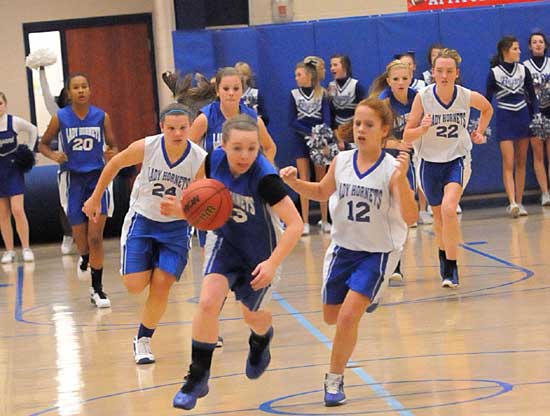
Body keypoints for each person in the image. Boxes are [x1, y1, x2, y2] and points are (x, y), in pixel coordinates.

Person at [281, 97, 418, 407]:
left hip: (377, 252)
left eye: (368, 125)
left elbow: (410, 218)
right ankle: (370, 296)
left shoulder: (391, 169)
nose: (360, 129)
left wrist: (402, 181)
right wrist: (292, 182)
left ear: (384, 130)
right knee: (331, 317)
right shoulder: (341, 161)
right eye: (357, 123)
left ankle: (334, 380)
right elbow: (320, 192)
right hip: (343, 249)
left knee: (346, 318)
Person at [172, 114, 303, 410]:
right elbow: (198, 199)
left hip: (261, 253)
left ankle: (261, 340)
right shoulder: (211, 162)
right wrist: (181, 210)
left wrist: (271, 264)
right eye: (238, 148)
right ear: (224, 146)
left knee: (252, 316)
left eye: (252, 148)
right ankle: (197, 377)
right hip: (225, 243)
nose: (245, 155)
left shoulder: (265, 177)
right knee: (207, 303)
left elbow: (295, 224)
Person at [83, 103, 206, 363]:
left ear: (190, 128)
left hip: (176, 228)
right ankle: (145, 262)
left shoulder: (199, 159)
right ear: (162, 127)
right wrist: (95, 198)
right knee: (135, 285)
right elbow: (114, 164)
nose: (177, 133)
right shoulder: (148, 147)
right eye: (171, 128)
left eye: (183, 128)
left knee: (161, 285)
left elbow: (202, 204)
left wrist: (182, 210)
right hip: (144, 220)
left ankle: (143, 340)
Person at [404, 48, 493, 288]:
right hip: (429, 162)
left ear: (456, 74)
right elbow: (407, 135)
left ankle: (452, 268)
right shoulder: (423, 97)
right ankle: (444, 257)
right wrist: (421, 130)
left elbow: (487, 108)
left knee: (449, 209)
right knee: (438, 217)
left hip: (457, 158)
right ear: (432, 72)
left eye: (449, 71)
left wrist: (479, 132)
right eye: (440, 70)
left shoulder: (465, 96)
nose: (444, 75)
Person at [39, 73, 117, 308]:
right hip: (72, 179)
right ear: (69, 93)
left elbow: (113, 144)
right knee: (80, 236)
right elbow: (42, 144)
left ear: (90, 90)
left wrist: (111, 152)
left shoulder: (102, 117)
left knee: (95, 237)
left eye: (84, 86)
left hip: (97, 180)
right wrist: (54, 154)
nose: (81, 90)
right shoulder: (59, 118)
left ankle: (98, 289)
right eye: (76, 87)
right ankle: (83, 257)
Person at [486, 36, 539, 217]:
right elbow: (487, 100)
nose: (519, 51)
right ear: (505, 51)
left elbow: (532, 96)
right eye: (516, 48)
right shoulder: (495, 73)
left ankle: (520, 201)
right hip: (505, 118)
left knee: (521, 161)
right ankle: (512, 202)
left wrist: (536, 117)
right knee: (508, 162)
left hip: (522, 117)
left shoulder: (524, 70)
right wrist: (481, 123)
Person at [35, 66, 75, 255]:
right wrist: (41, 72)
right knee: (66, 204)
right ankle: (68, 235)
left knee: (92, 203)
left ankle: (91, 237)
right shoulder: (59, 115)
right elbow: (46, 97)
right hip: (67, 168)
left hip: (91, 167)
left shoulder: (93, 115)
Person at [290, 61, 332, 235]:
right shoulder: (293, 94)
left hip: (320, 139)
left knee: (321, 178)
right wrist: (308, 133)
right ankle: (305, 221)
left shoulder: (322, 93)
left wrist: (320, 135)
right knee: (304, 178)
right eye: (296, 75)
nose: (296, 78)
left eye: (299, 74)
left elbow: (328, 118)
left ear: (309, 75)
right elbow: (291, 120)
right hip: (301, 139)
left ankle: (325, 219)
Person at [0, 92, 38, 264]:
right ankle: (9, 251)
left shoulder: (13, 121)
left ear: (5, 104)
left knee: (17, 209)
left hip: (13, 168)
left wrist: (29, 151)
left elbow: (33, 129)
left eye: (0, 103)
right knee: (3, 213)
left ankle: (26, 248)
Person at [523, 31, 550, 206]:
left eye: (541, 41)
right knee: (538, 156)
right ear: (530, 46)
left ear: (545, 45)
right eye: (534, 42)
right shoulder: (525, 66)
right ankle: (545, 193)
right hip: (533, 113)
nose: (538, 44)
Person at [328, 54, 366, 150]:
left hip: (354, 128)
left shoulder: (356, 85)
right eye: (331, 65)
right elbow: (331, 113)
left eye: (335, 65)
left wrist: (354, 127)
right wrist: (337, 136)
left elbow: (364, 110)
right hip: (338, 130)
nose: (332, 68)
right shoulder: (331, 87)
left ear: (345, 67)